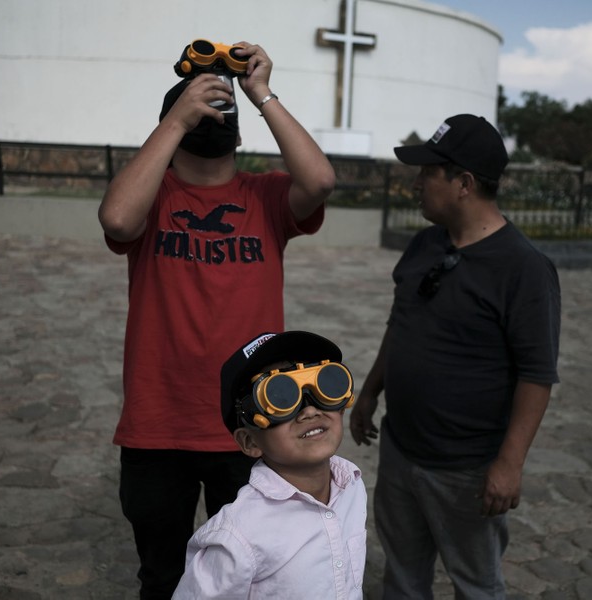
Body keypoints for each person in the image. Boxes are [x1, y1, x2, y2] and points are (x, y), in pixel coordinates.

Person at [97, 41, 335, 599]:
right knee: (163, 576)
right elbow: (116, 218)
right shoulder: (152, 197)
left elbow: (320, 181)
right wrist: (177, 117)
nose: (208, 113)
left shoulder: (266, 195)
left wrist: (260, 93)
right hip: (160, 423)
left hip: (252, 422)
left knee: (253, 575)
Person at [349, 114, 561, 598]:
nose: (417, 183)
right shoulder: (426, 243)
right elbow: (400, 324)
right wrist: (370, 392)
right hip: (402, 449)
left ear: (464, 183)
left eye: (429, 173)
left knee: (475, 584)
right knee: (402, 576)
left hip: (467, 465)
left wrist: (509, 464)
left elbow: (536, 374)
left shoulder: (524, 268)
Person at [172, 330, 367, 599]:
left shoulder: (353, 487)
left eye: (325, 384)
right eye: (280, 396)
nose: (310, 410)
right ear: (250, 441)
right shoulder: (238, 537)